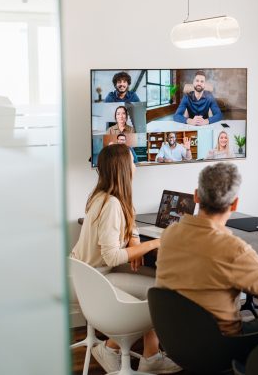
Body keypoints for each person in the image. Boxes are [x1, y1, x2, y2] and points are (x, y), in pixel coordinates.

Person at [70, 144, 180, 374]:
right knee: (160, 295)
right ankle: (112, 348)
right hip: (96, 278)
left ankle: (150, 355)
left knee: (158, 281)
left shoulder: (108, 196)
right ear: (123, 168)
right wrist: (157, 242)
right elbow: (111, 257)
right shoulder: (111, 204)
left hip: (88, 274)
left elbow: (130, 224)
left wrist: (135, 243)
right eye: (132, 161)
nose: (136, 166)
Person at [156, 163, 258, 340]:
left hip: (174, 340)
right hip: (220, 347)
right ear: (235, 204)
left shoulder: (170, 233)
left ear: (196, 196)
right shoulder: (233, 249)